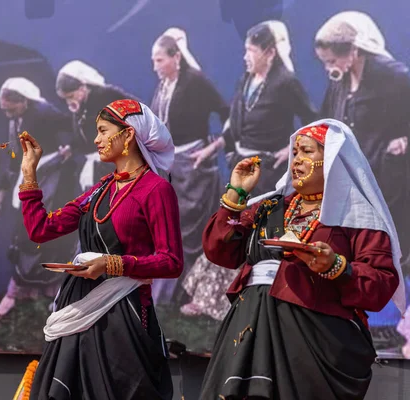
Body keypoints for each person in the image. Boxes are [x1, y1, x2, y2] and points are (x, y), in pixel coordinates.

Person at [198, 120, 403, 399]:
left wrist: (336, 267)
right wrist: (237, 192)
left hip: (312, 341)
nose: (296, 161)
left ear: (330, 159)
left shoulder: (357, 216)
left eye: (307, 152)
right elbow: (219, 249)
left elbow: (380, 284)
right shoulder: (270, 206)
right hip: (248, 327)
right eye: (294, 153)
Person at [18, 99, 183, 399]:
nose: (96, 139)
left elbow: (171, 261)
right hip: (81, 311)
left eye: (103, 131)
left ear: (129, 135)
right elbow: (41, 229)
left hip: (125, 316)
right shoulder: (100, 190)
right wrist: (30, 172)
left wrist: (112, 264)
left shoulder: (156, 190)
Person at [315, 11, 410, 352]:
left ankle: (387, 322)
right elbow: (326, 120)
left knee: (387, 250)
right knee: (357, 248)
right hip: (354, 179)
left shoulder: (393, 76)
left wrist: (405, 140)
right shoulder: (339, 80)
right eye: (325, 61)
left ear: (354, 50)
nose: (329, 66)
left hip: (389, 181)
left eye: (333, 58)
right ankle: (362, 319)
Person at [0, 77, 77, 323]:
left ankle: (56, 299)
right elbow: (16, 158)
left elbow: (77, 126)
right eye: (3, 109)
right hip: (30, 180)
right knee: (24, 239)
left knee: (46, 240)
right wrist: (2, 193)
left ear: (24, 102)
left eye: (10, 108)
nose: (6, 113)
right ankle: (16, 295)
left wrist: (70, 147)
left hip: (53, 183)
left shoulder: (44, 113)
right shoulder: (15, 120)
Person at [150, 27, 229, 305]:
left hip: (194, 169)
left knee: (191, 230)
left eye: (160, 60)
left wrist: (212, 147)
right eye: (154, 61)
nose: (155, 66)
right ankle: (169, 294)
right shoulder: (164, 84)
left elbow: (229, 116)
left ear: (176, 58)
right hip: (170, 166)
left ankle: (194, 294)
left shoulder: (196, 81)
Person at [195, 21, 317, 196]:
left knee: (269, 221)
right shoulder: (245, 80)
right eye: (246, 50)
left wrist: (293, 149)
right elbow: (236, 121)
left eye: (251, 51)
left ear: (270, 53)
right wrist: (213, 148)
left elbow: (312, 119)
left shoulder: (286, 83)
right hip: (242, 170)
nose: (245, 57)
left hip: (270, 174)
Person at [56, 60, 138, 189]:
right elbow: (85, 137)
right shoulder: (80, 107)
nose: (69, 101)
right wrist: (71, 147)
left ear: (83, 88)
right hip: (98, 167)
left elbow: (139, 110)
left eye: (71, 96)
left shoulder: (106, 94)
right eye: (65, 98)